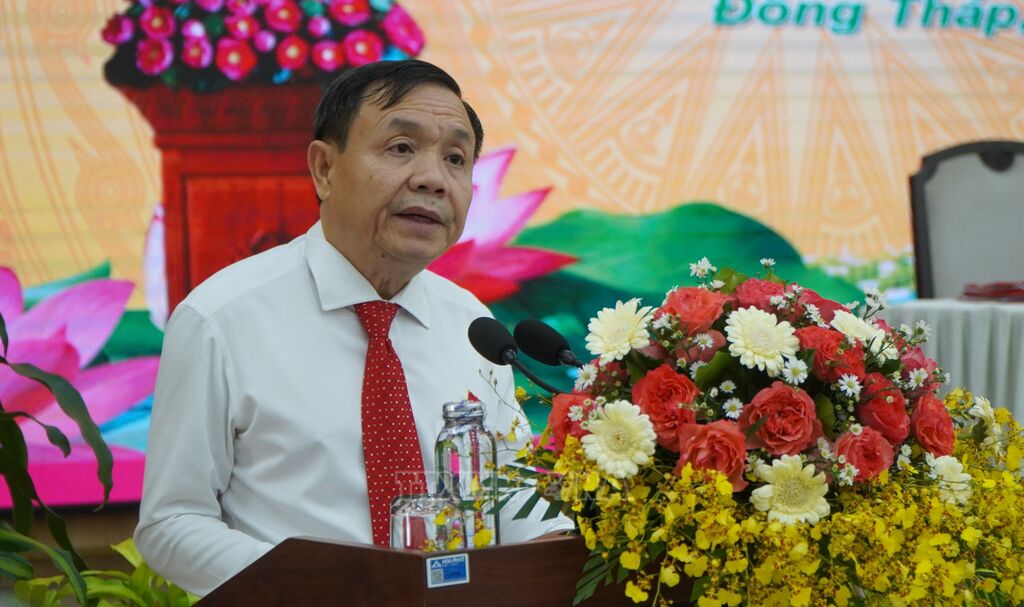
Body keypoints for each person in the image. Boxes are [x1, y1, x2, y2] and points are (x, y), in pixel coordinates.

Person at [135, 59, 572, 596]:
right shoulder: (220, 320)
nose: (433, 179)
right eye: (401, 148)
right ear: (324, 169)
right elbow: (172, 522)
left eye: (455, 159)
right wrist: (321, 589)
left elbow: (510, 494)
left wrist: (555, 544)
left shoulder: (474, 326)